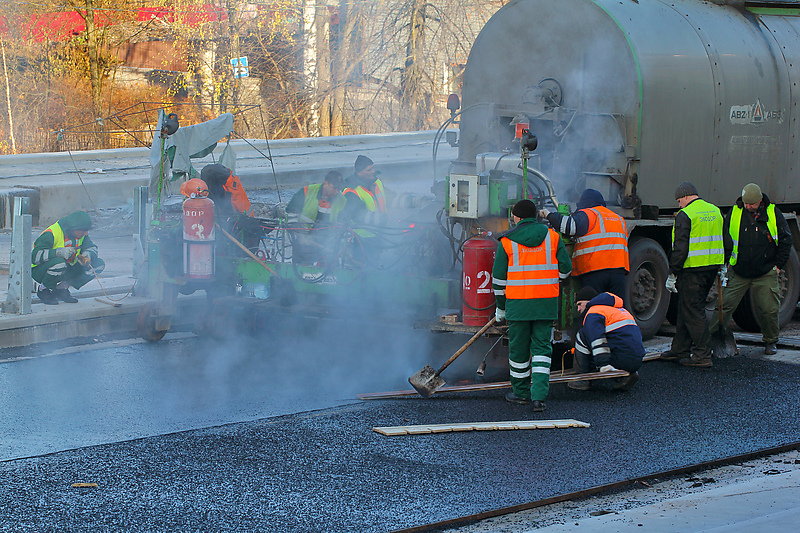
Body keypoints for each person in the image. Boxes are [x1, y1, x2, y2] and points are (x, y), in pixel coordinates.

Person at [492, 199, 572, 411]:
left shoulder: (507, 241)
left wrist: (500, 307)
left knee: (518, 351)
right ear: (536, 216)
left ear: (517, 217)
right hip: (545, 305)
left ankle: (520, 394)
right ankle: (538, 397)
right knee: (542, 350)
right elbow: (566, 270)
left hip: (518, 306)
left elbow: (498, 281)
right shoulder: (553, 237)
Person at [708, 183, 791, 355]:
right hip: (739, 270)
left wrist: (778, 266)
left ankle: (770, 341)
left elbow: (785, 240)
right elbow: (725, 237)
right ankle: (711, 339)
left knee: (769, 309)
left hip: (765, 270)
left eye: (751, 204)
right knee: (724, 307)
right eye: (745, 204)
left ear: (760, 201)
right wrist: (725, 263)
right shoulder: (736, 212)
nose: (747, 207)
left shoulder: (773, 214)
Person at [661, 181, 724, 367]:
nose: (679, 204)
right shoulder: (715, 210)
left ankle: (702, 355)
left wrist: (673, 272)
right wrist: (723, 265)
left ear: (686, 196)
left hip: (692, 270)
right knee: (686, 309)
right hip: (711, 268)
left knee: (693, 312)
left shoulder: (685, 214)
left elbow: (680, 247)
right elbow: (726, 239)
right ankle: (679, 349)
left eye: (679, 200)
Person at [541, 188, 629, 300]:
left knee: (594, 307)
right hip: (618, 271)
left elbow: (569, 226)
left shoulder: (589, 214)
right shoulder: (618, 218)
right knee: (617, 306)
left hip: (595, 271)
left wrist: (549, 215)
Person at [569, 286, 644, 391]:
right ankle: (625, 375)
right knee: (611, 340)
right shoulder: (620, 310)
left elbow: (597, 339)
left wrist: (603, 364)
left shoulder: (593, 312)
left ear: (589, 301)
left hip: (621, 359)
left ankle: (582, 379)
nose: (578, 309)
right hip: (637, 360)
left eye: (580, 304)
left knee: (582, 335)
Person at [31, 211, 105, 305]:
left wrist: (88, 254)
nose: (86, 233)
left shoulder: (81, 235)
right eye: (84, 230)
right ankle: (44, 289)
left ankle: (61, 289)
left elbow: (92, 247)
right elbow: (35, 256)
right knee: (59, 263)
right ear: (74, 228)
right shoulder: (51, 233)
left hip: (66, 268)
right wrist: (58, 252)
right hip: (41, 270)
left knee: (98, 264)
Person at [341, 155, 386, 228]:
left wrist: (410, 201)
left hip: (381, 231)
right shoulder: (351, 191)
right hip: (364, 236)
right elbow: (359, 215)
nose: (373, 171)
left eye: (373, 168)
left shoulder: (376, 182)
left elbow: (391, 197)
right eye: (369, 170)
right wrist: (387, 219)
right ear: (359, 173)